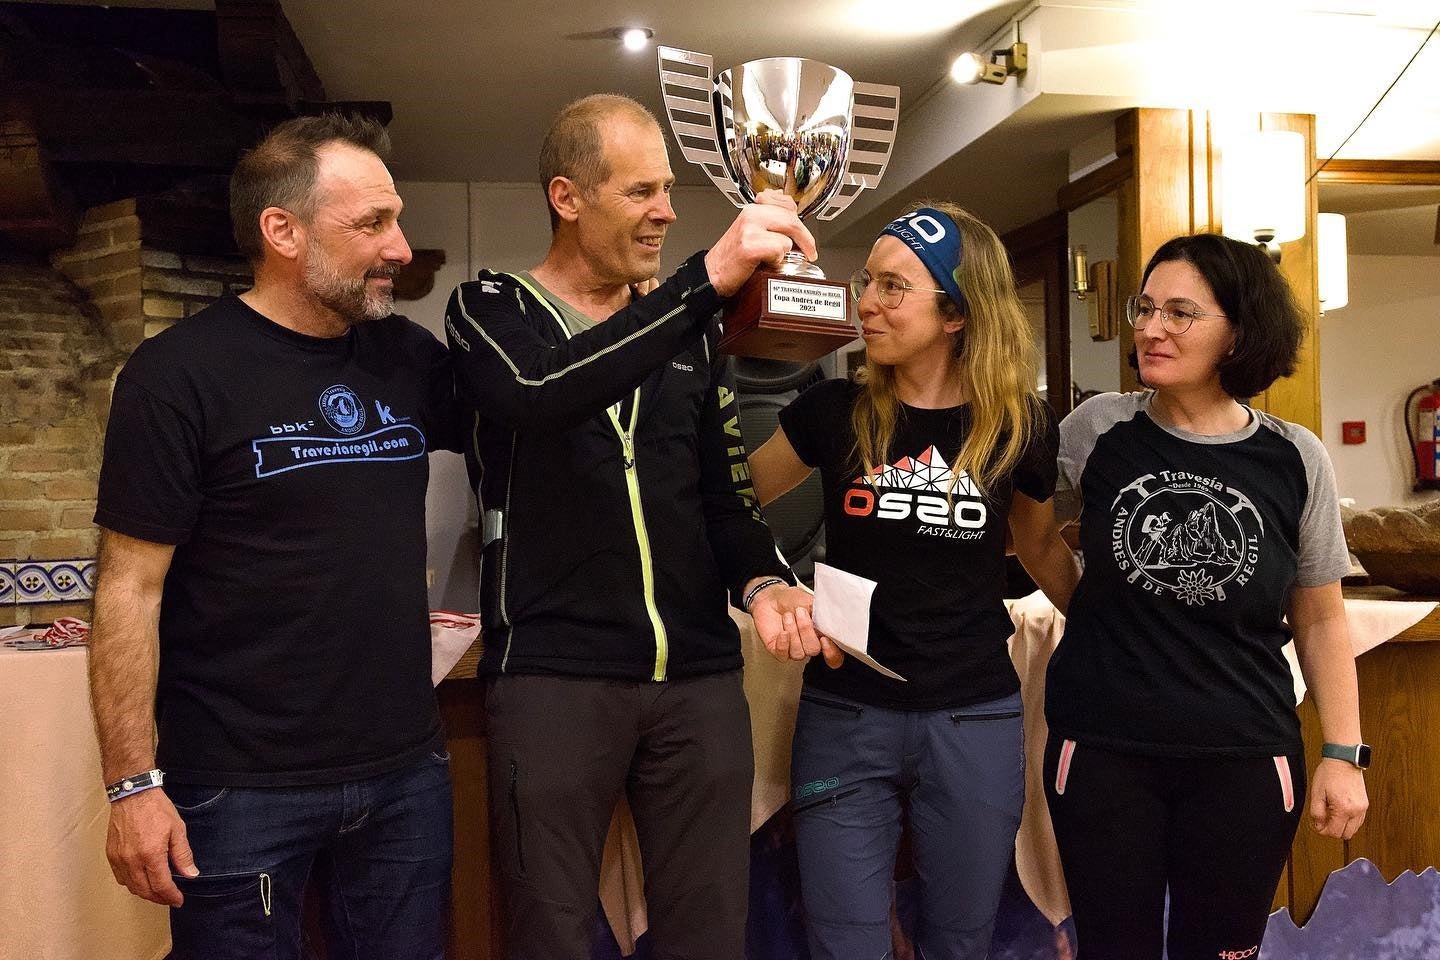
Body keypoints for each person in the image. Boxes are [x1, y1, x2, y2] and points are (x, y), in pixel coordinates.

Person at [444, 93, 822, 960]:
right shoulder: (488, 311)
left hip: (696, 677)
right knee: (551, 931)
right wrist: (705, 281)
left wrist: (763, 580)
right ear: (567, 197)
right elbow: (537, 394)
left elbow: (727, 494)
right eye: (639, 191)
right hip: (553, 677)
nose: (665, 211)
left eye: (667, 189)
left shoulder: (691, 335)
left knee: (708, 931)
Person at [88, 113, 459, 959]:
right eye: (371, 224)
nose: (401, 248)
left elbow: (530, 421)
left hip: (406, 768)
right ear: (282, 231)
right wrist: (132, 787)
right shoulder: (177, 375)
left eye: (395, 219)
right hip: (236, 787)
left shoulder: (403, 355)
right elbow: (128, 587)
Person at [746, 201, 1080, 959]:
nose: (865, 301)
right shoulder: (833, 411)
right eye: (868, 281)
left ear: (957, 312)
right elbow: (731, 511)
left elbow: (1037, 547)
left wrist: (1115, 628)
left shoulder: (1020, 425)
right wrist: (768, 583)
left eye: (893, 287)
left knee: (960, 944)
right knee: (846, 945)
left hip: (975, 718)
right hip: (845, 715)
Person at [1043, 232, 1369, 959]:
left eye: (1181, 312)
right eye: (1146, 307)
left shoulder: (1295, 455)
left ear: (1240, 332)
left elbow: (1319, 615)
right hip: (1102, 751)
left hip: (1245, 761)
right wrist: (1094, 608)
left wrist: (1344, 752)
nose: (1151, 328)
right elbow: (1031, 534)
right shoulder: (1095, 429)